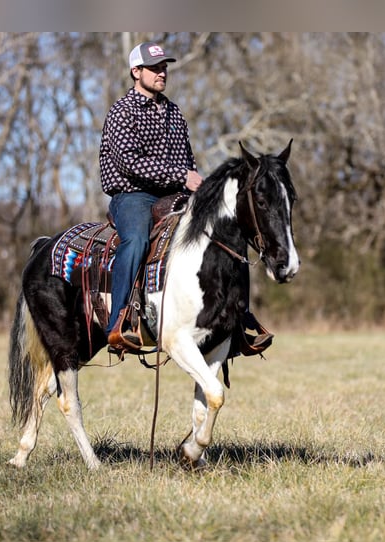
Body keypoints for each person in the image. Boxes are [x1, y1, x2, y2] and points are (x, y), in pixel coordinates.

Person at [100, 41, 273, 355]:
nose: (162, 72)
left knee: (229, 233)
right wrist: (181, 177)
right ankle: (120, 321)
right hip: (133, 195)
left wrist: (197, 185)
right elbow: (129, 162)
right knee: (136, 240)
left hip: (174, 195)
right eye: (154, 68)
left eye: (164, 66)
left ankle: (240, 319)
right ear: (135, 72)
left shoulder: (173, 112)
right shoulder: (121, 112)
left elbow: (187, 161)